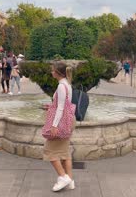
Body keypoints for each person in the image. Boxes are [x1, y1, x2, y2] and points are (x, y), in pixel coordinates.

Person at [42, 61, 75, 192]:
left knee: (49, 151)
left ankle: (63, 177)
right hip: (68, 121)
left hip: (61, 123)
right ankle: (70, 181)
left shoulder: (61, 86)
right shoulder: (67, 84)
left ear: (57, 73)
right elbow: (65, 105)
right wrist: (50, 107)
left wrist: (54, 125)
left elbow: (61, 108)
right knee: (65, 153)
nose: (51, 72)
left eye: (53, 70)